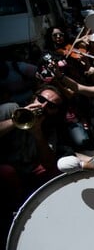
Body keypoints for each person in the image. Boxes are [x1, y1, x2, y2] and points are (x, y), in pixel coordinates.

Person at [0, 85, 69, 235]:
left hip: (25, 174)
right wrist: (14, 121)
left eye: (50, 106)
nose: (43, 106)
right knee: (7, 172)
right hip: (5, 171)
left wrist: (37, 133)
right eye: (41, 99)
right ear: (34, 97)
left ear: (56, 112)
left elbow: (48, 163)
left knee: (56, 170)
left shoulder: (49, 129)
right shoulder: (9, 109)